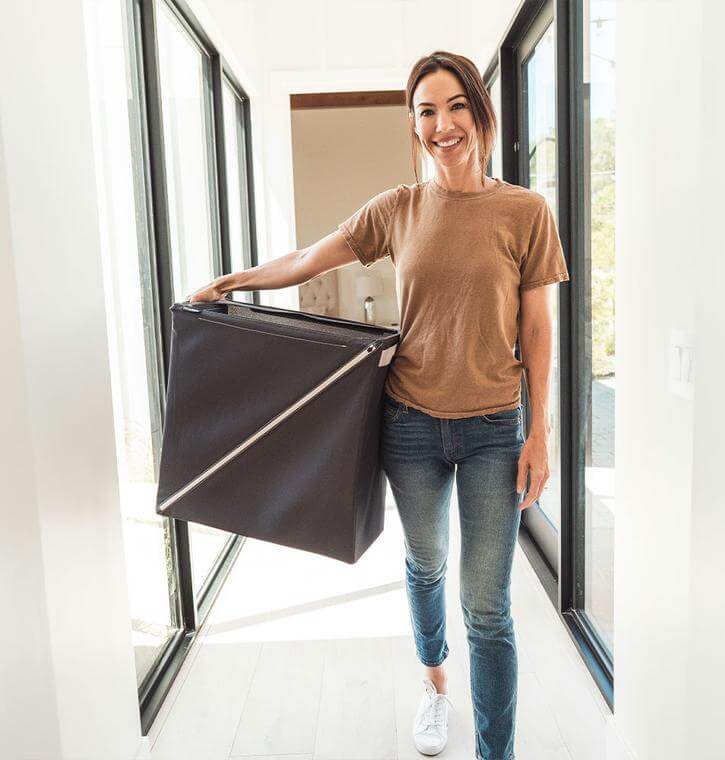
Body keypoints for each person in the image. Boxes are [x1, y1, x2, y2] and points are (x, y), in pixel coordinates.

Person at [190, 49, 569, 760]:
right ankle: (433, 686)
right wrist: (232, 281)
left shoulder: (525, 211)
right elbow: (308, 260)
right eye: (427, 111)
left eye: (455, 106)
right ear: (414, 125)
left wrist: (539, 431)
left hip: (494, 428)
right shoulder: (398, 209)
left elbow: (539, 328)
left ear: (479, 112)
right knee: (424, 566)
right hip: (412, 426)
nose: (442, 123)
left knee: (488, 610)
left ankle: (497, 753)